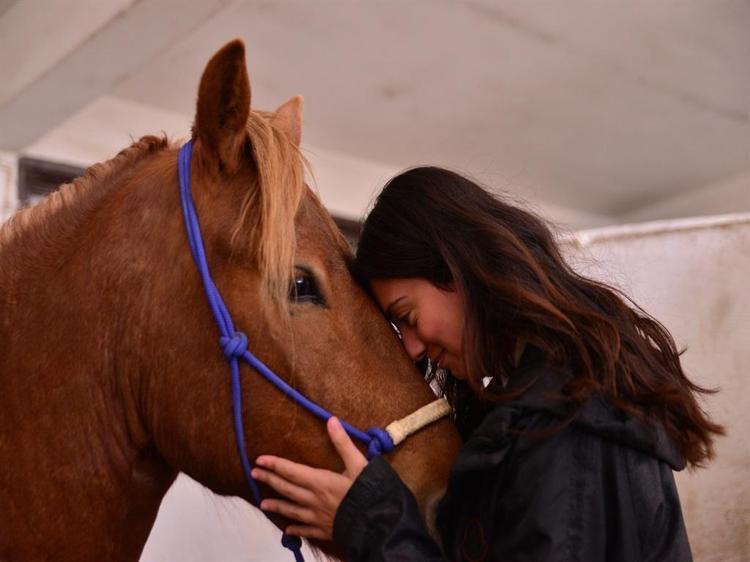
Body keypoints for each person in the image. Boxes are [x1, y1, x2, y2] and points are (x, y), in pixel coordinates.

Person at [250, 167, 723, 561]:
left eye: (407, 317)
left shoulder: (566, 420)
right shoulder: (551, 406)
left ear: (456, 270)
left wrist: (371, 524)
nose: (412, 348)